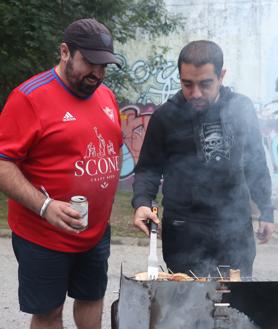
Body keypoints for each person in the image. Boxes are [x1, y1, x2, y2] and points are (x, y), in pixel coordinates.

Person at [0, 18, 122, 329]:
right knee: (49, 313)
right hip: (43, 235)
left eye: (104, 65)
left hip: (94, 232)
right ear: (65, 51)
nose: (98, 73)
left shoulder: (105, 95)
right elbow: (2, 163)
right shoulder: (29, 97)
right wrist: (45, 206)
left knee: (92, 298)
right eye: (90, 63)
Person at [132, 40, 275, 279]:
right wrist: (142, 202)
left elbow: (255, 163)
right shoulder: (165, 117)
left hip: (234, 227)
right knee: (185, 305)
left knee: (235, 303)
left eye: (205, 84)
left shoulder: (241, 108)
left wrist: (267, 211)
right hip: (183, 231)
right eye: (187, 84)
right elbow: (148, 169)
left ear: (221, 76)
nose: (195, 93)